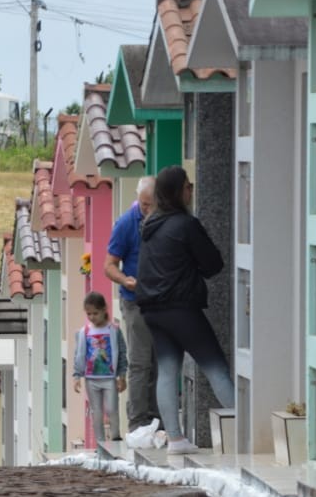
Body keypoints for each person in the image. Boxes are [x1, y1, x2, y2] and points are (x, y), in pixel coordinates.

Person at [135, 166, 234, 455]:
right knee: (216, 367)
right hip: (181, 308)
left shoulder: (149, 225)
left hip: (152, 310)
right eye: (188, 186)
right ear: (178, 191)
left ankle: (176, 440)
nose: (191, 190)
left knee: (167, 370)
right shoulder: (186, 224)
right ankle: (243, 431)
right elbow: (214, 264)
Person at [104, 176, 162, 433]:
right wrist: (125, 281)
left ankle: (158, 418)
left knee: (162, 361)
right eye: (144, 204)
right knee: (140, 362)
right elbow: (109, 266)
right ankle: (138, 422)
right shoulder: (127, 223)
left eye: (152, 204)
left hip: (162, 301)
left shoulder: (164, 219)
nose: (147, 209)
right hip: (135, 302)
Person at [71, 291, 127, 446]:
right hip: (91, 379)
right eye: (89, 314)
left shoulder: (113, 330)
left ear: (104, 310)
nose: (92, 317)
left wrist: (122, 376)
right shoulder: (84, 332)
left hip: (109, 378)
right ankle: (100, 442)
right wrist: (76, 376)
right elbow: (79, 354)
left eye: (95, 313)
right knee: (96, 412)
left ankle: (116, 438)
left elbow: (122, 352)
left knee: (112, 409)